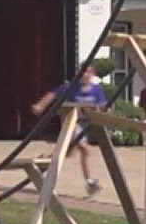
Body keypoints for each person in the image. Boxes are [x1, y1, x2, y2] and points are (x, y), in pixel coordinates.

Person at [29, 65, 108, 195]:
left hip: (86, 124)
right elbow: (53, 93)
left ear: (92, 74)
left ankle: (42, 163)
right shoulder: (72, 88)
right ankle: (90, 182)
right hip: (72, 123)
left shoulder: (96, 91)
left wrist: (101, 112)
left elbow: (103, 106)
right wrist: (40, 105)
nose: (85, 76)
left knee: (66, 153)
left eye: (88, 73)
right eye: (82, 73)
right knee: (85, 149)